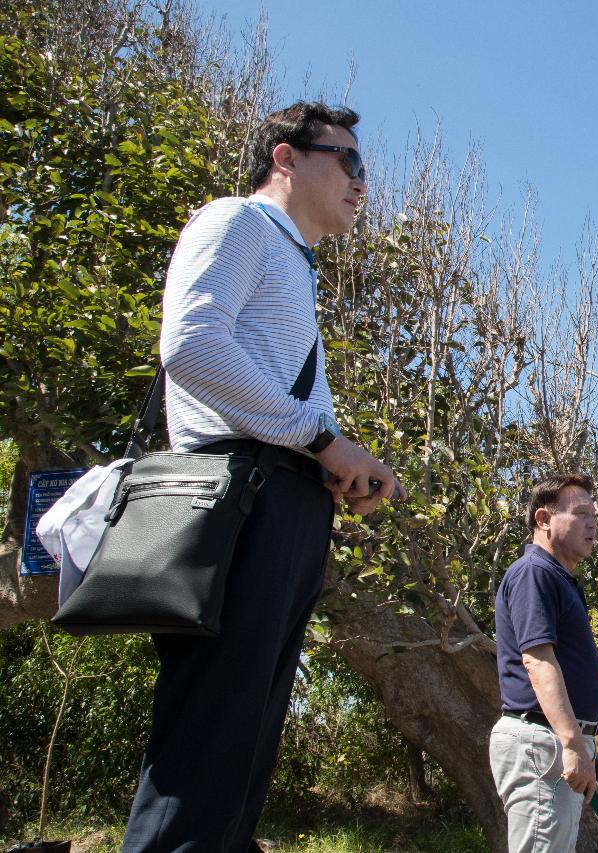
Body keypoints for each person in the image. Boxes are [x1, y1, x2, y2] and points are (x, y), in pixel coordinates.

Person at [123, 101, 403, 852]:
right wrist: (320, 440)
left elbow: (262, 385)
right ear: (286, 157)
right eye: (348, 160)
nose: (361, 181)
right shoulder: (237, 222)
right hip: (238, 499)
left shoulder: (291, 259)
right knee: (209, 741)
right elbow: (190, 345)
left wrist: (335, 462)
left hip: (280, 504)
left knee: (245, 747)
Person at [490, 474, 598, 852]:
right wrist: (573, 743)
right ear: (543, 520)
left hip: (557, 743)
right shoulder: (534, 573)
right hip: (543, 744)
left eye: (594, 514)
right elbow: (538, 662)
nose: (592, 523)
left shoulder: (560, 578)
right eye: (581, 513)